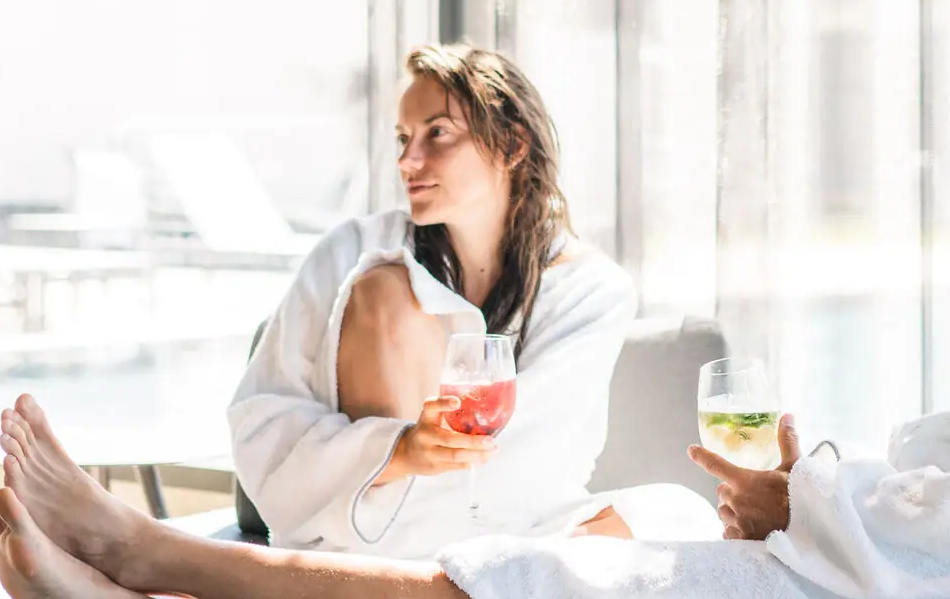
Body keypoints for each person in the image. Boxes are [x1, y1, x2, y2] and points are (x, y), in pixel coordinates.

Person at [0, 0, 950, 599]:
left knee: (539, 589)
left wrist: (820, 504)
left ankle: (143, 553)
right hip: (927, 592)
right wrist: (814, 489)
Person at [230, 40, 717, 557]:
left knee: (678, 513)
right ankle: (420, 578)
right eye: (403, 137)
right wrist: (397, 451)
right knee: (384, 285)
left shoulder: (592, 288)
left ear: (511, 146)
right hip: (369, 530)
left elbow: (533, 458)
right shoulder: (352, 252)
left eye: (437, 133)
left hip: (515, 529)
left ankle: (449, 584)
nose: (407, 159)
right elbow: (264, 420)